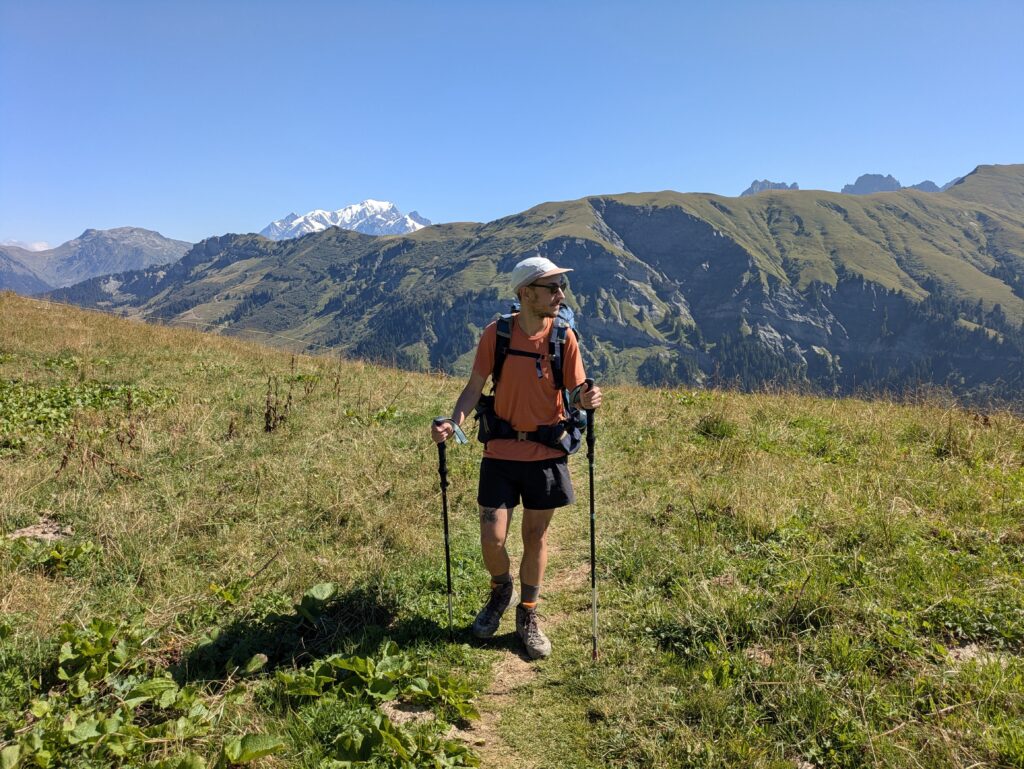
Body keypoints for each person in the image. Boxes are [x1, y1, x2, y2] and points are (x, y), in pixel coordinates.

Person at [431, 255, 602, 659]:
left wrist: (587, 398)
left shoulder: (564, 337)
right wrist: (453, 423)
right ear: (526, 293)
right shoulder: (498, 335)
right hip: (501, 452)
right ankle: (500, 589)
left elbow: (576, 391)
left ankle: (527, 612)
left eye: (562, 287)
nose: (561, 295)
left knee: (534, 537)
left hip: (546, 452)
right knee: (492, 538)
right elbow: (474, 387)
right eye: (552, 288)